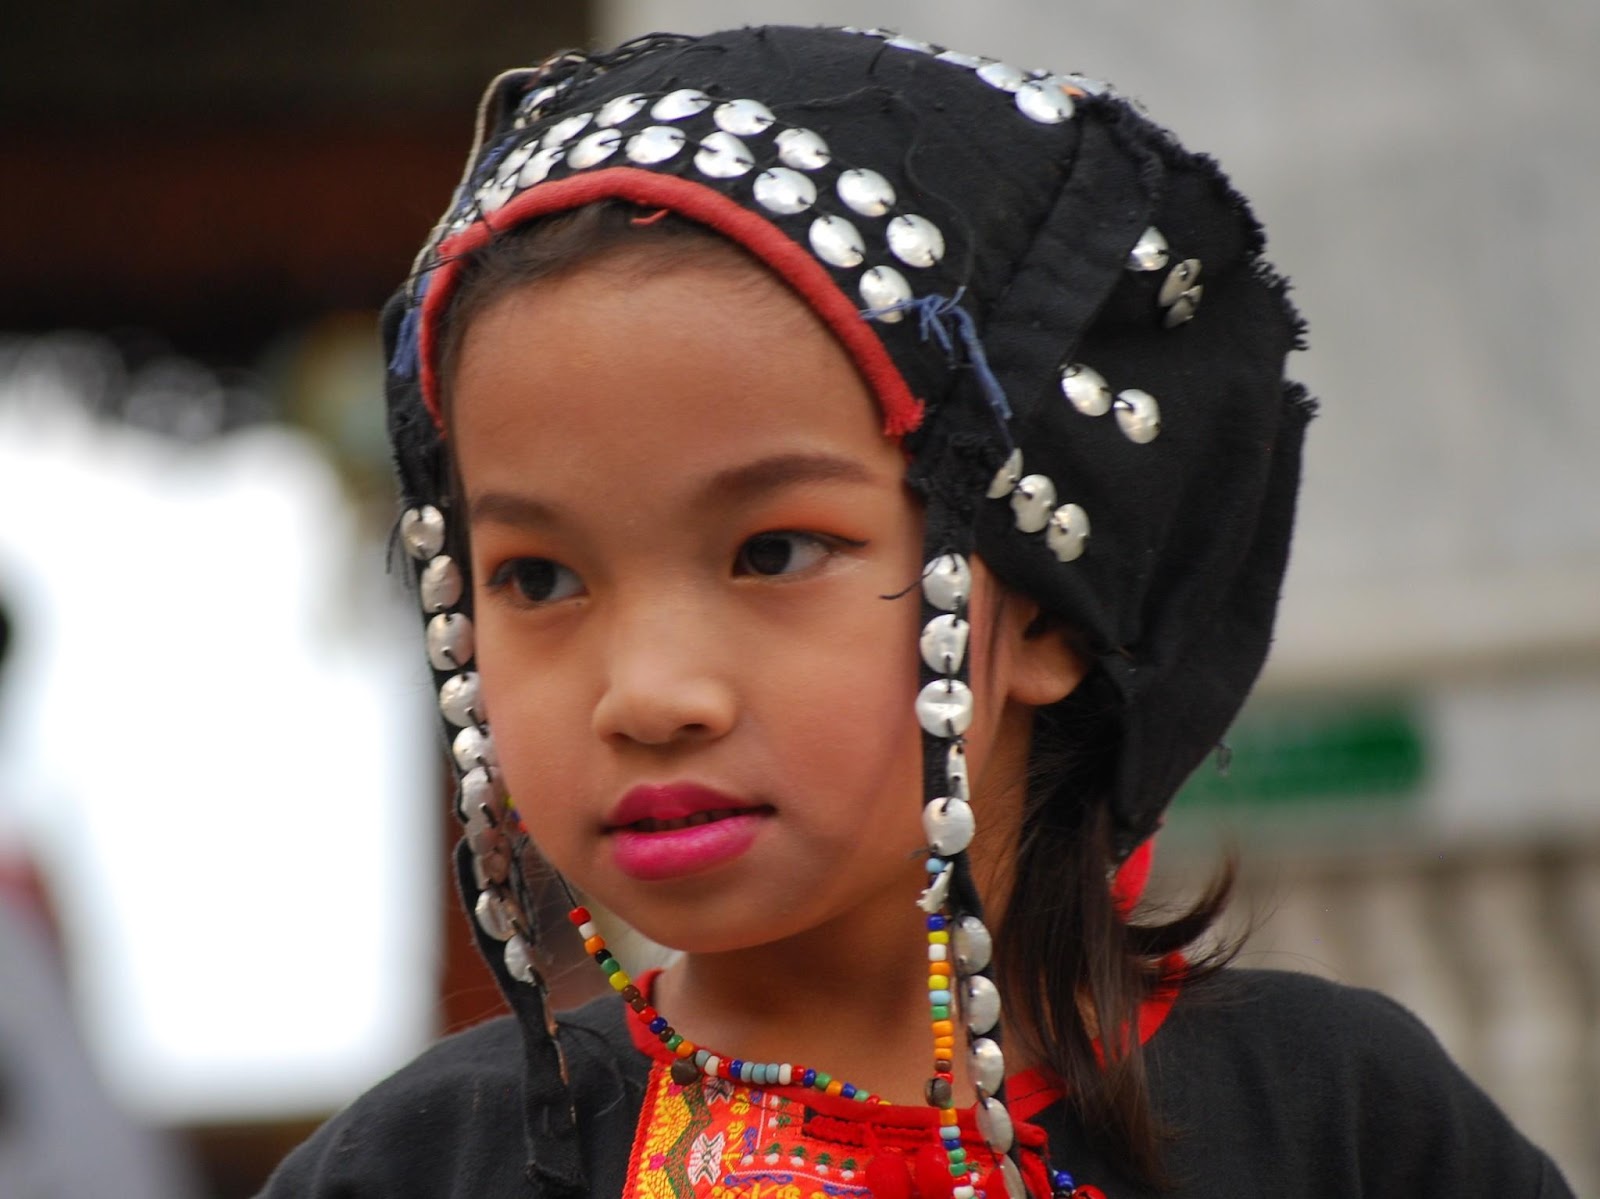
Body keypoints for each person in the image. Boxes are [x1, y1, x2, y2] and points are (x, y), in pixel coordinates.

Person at [260, 26, 1573, 1198]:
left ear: (1046, 613)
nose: (647, 694)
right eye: (538, 579)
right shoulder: (420, 1169)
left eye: (774, 552)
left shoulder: (1333, 1120)